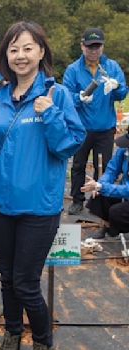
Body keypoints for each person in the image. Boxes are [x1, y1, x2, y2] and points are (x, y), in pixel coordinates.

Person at [0, 22, 85, 350]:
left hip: (39, 206)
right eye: (13, 49)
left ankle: (44, 346)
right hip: (4, 204)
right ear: (5, 57)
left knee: (25, 282)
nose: (20, 56)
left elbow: (68, 145)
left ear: (41, 51)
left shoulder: (58, 95)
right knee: (7, 279)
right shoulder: (2, 97)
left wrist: (49, 114)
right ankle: (12, 341)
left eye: (27, 48)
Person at [64, 28, 128, 215]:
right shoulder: (73, 70)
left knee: (105, 166)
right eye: (90, 47)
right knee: (78, 165)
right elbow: (66, 97)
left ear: (102, 46)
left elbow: (122, 93)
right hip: (81, 128)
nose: (94, 50)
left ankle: (98, 203)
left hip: (105, 128)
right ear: (82, 46)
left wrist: (116, 87)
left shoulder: (112, 66)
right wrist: (79, 97)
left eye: (97, 46)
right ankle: (77, 199)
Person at [82, 132, 129, 239]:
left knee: (117, 212)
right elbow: (111, 171)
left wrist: (102, 187)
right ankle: (108, 227)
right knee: (100, 195)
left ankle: (117, 226)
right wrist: (100, 184)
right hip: (124, 194)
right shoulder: (124, 150)